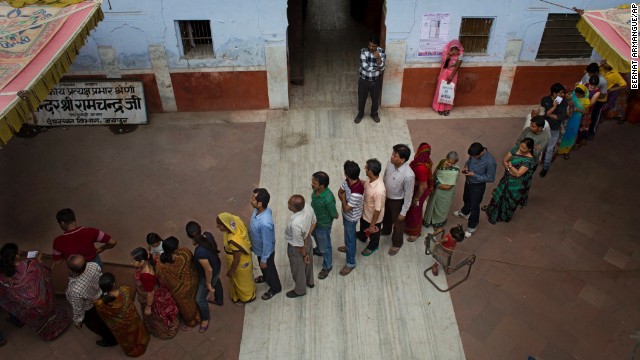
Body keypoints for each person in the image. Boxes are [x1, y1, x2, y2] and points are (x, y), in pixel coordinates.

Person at [0, 243, 71, 340]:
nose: (20, 252)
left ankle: (48, 334)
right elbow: (44, 271)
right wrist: (39, 260)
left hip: (29, 309)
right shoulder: (30, 265)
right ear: (16, 255)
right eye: (18, 251)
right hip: (44, 300)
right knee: (52, 312)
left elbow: (6, 294)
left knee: (39, 320)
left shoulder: (3, 277)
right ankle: (62, 325)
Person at [65, 254, 118, 347]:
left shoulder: (74, 290)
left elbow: (78, 308)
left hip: (90, 309)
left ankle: (111, 340)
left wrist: (78, 321)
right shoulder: (94, 266)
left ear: (71, 270)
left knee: (99, 326)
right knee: (106, 317)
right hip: (102, 297)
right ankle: (114, 330)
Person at [95, 273, 149, 357]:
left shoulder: (100, 304)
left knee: (127, 339)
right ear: (114, 284)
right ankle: (141, 343)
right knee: (137, 333)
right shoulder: (125, 291)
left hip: (119, 328)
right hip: (132, 321)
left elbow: (104, 316)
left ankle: (131, 351)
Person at [484, 138, 537, 224]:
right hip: (507, 177)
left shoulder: (528, 160)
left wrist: (510, 166)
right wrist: (509, 169)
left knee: (509, 200)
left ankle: (503, 216)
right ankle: (491, 210)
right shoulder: (515, 149)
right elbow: (504, 160)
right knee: (498, 194)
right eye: (521, 146)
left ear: (529, 149)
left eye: (524, 148)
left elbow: (518, 174)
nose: (521, 149)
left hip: (516, 184)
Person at [130, 247, 178, 339]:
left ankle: (165, 328)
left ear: (142, 261)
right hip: (160, 289)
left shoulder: (146, 276)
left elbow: (150, 293)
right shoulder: (151, 259)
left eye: (134, 261)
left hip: (153, 297)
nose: (131, 263)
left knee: (158, 315)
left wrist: (148, 307)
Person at [155, 236, 201, 330]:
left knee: (185, 305)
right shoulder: (185, 253)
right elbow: (192, 265)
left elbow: (161, 279)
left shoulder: (160, 263)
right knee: (193, 299)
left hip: (177, 290)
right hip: (192, 282)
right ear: (176, 248)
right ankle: (198, 314)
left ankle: (191, 320)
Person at [186, 220, 224, 332]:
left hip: (209, 274)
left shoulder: (199, 252)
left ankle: (205, 319)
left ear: (189, 236)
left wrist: (208, 284)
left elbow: (208, 270)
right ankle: (219, 300)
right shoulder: (208, 235)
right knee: (217, 282)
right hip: (217, 265)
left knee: (200, 299)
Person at [453, 142, 497, 238]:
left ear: (481, 153)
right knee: (466, 198)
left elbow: (490, 178)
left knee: (474, 206)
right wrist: (466, 166)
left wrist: (474, 175)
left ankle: (472, 226)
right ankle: (465, 212)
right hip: (468, 181)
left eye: (475, 156)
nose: (473, 157)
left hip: (477, 186)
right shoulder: (474, 153)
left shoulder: (490, 161)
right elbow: (469, 160)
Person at [52, 208, 117, 269]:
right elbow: (113, 242)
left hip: (76, 269)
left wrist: (65, 253)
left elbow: (57, 261)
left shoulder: (58, 242)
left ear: (62, 223)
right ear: (74, 219)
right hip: (95, 265)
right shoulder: (92, 231)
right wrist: (102, 248)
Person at [248, 188, 282, 300]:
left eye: (253, 199)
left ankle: (275, 288)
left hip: (265, 252)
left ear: (260, 203)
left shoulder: (265, 223)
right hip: (258, 249)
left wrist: (264, 259)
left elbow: (267, 243)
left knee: (269, 269)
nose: (251, 200)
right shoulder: (259, 210)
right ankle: (266, 277)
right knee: (265, 269)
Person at [382, 144, 415, 256]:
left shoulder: (408, 175)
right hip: (386, 196)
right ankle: (386, 230)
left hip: (397, 201)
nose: (391, 157)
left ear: (402, 159)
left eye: (394, 155)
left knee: (398, 224)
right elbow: (385, 175)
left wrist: (404, 211)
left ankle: (397, 243)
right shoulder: (391, 163)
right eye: (392, 154)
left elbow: (408, 194)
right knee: (386, 216)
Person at [216, 213, 256, 304]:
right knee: (246, 279)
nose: (218, 228)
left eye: (219, 226)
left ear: (226, 225)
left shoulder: (233, 241)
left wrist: (231, 271)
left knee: (240, 281)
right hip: (246, 259)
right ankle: (250, 293)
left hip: (240, 264)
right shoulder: (235, 220)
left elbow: (236, 259)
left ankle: (247, 297)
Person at [285, 195, 317, 298]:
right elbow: (314, 222)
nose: (288, 204)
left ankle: (300, 290)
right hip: (307, 241)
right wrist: (307, 236)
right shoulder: (307, 207)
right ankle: (310, 281)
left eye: (289, 204)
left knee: (298, 268)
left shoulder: (295, 224)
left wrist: (304, 256)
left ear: (294, 208)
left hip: (297, 248)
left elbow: (300, 246)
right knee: (309, 264)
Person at [337, 161, 365, 276]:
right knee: (349, 235)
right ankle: (349, 247)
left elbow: (346, 208)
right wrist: (344, 200)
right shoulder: (347, 181)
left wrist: (343, 199)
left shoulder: (357, 192)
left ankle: (350, 263)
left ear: (346, 173)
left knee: (350, 237)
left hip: (351, 217)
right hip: (347, 215)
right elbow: (340, 192)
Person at [423, 151, 461, 234]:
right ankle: (428, 220)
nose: (449, 165)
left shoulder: (455, 171)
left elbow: (448, 187)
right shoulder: (442, 161)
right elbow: (435, 172)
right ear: (446, 158)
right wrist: (432, 183)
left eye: (452, 163)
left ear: (456, 162)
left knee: (441, 209)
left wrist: (435, 183)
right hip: (436, 190)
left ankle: (438, 225)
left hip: (446, 194)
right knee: (431, 205)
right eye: (448, 162)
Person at [310, 171, 339, 279]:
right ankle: (318, 250)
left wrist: (332, 217)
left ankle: (327, 266)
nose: (312, 184)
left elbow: (335, 215)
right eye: (312, 181)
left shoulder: (328, 199)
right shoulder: (315, 191)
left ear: (322, 186)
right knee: (314, 235)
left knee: (325, 246)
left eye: (315, 183)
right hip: (314, 222)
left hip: (323, 225)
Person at [404, 143, 435, 241]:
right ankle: (407, 224)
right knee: (409, 208)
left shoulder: (421, 168)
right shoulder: (424, 160)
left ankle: (415, 232)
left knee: (415, 210)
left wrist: (415, 199)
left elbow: (423, 186)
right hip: (416, 188)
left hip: (419, 192)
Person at [357, 159, 386, 256]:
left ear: (370, 171)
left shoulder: (379, 191)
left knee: (373, 233)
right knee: (363, 227)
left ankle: (373, 246)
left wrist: (372, 225)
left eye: (366, 167)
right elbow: (366, 184)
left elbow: (378, 210)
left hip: (373, 218)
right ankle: (362, 236)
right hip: (366, 213)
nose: (364, 169)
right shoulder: (372, 179)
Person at [354, 34, 386, 124]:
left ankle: (374, 113)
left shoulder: (381, 52)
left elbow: (383, 67)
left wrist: (378, 57)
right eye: (369, 45)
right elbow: (364, 67)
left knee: (375, 99)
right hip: (364, 80)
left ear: (377, 46)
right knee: (362, 98)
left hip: (376, 80)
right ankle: (360, 114)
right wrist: (377, 68)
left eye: (373, 46)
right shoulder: (363, 51)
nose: (371, 47)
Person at [539, 83, 567, 177]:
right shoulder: (545, 100)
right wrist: (554, 107)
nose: (563, 95)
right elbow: (544, 114)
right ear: (554, 93)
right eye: (561, 93)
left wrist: (549, 114)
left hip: (555, 128)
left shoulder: (564, 102)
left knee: (550, 149)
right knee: (538, 146)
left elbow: (561, 117)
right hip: (543, 127)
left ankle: (545, 167)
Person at [432, 39, 464, 116]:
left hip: (453, 74)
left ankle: (447, 108)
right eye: (453, 48)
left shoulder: (460, 55)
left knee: (450, 91)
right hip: (444, 74)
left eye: (456, 48)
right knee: (441, 90)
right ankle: (439, 108)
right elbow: (444, 61)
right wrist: (449, 55)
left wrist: (452, 76)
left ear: (459, 48)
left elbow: (457, 66)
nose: (454, 50)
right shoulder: (446, 53)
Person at [557, 85, 590, 159]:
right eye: (576, 93)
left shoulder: (586, 101)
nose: (577, 95)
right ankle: (557, 149)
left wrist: (578, 110)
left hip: (575, 120)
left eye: (579, 94)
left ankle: (566, 150)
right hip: (566, 118)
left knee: (571, 134)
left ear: (583, 94)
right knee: (562, 133)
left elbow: (586, 112)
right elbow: (565, 99)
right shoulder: (572, 95)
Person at [579, 63, 608, 138]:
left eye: (590, 73)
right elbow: (581, 84)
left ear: (596, 73)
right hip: (585, 101)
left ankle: (591, 132)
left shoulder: (603, 81)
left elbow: (603, 94)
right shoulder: (587, 75)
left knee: (594, 117)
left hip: (598, 101)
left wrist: (592, 95)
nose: (588, 75)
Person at [575, 76, 602, 148]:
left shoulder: (597, 92)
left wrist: (580, 100)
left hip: (587, 111)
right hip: (578, 108)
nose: (592, 87)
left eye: (594, 86)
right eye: (591, 85)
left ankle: (578, 142)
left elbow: (590, 103)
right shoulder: (585, 84)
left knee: (582, 127)